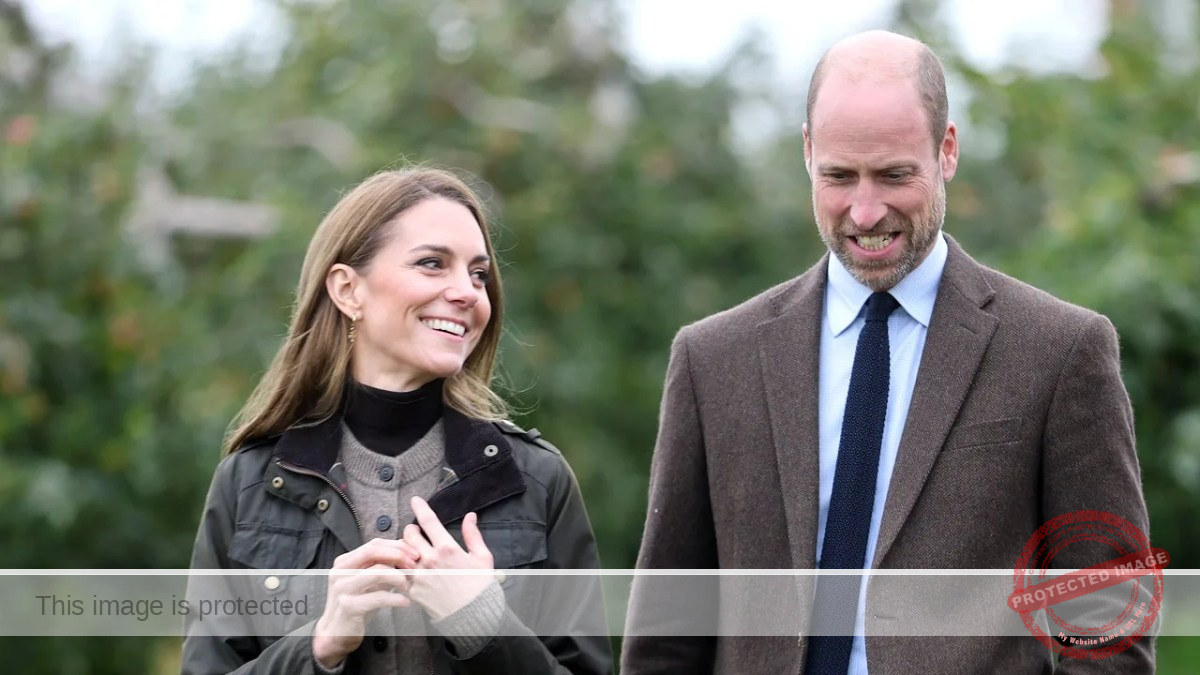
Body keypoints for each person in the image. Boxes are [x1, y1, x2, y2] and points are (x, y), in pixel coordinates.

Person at [621, 30, 1152, 674]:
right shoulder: (712, 360)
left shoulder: (1060, 351)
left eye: (895, 175)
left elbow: (1106, 628)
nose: (866, 212)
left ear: (947, 150)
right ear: (807, 152)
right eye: (839, 176)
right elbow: (667, 636)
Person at [182, 167, 611, 675]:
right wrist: (318, 647)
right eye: (432, 264)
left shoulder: (538, 480)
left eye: (478, 274)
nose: (468, 292)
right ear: (348, 290)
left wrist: (484, 626)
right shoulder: (249, 484)